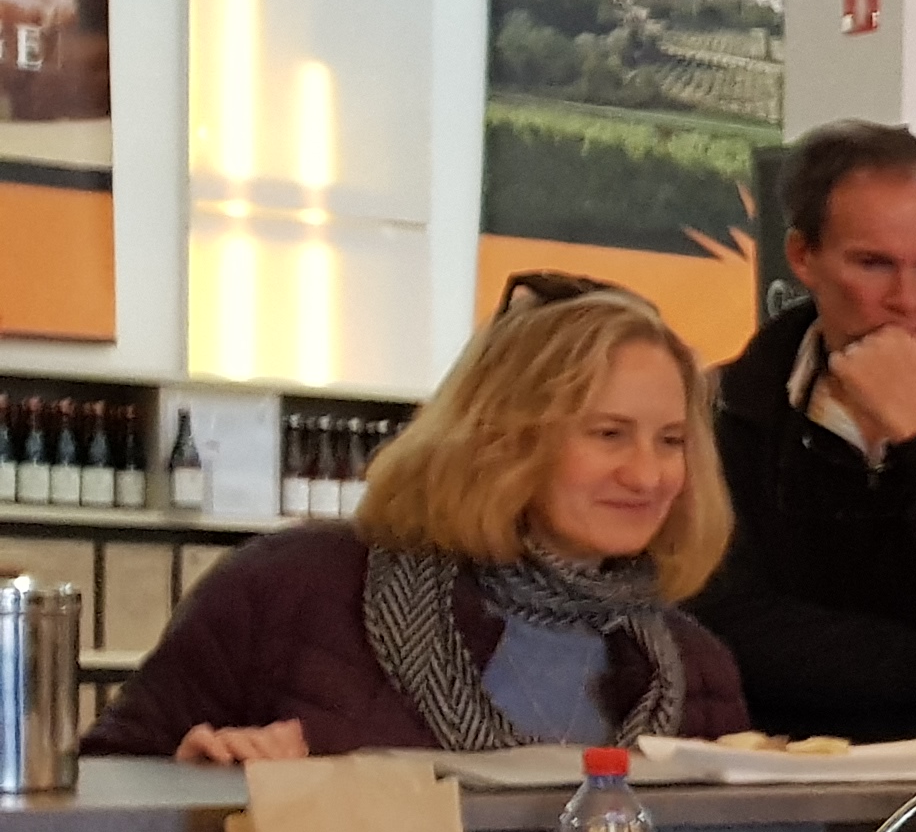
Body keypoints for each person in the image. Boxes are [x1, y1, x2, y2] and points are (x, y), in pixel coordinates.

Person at [89, 284, 747, 762]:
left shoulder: (696, 670)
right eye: (609, 434)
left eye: (671, 441)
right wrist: (199, 778)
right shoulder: (293, 588)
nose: (648, 475)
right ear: (501, 437)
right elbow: (103, 793)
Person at [689, 121, 916, 744]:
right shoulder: (727, 408)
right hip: (779, 761)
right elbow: (724, 618)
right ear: (803, 258)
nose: (906, 298)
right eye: (873, 264)